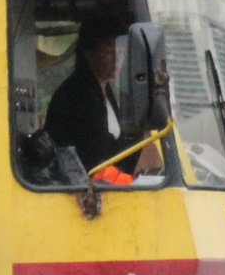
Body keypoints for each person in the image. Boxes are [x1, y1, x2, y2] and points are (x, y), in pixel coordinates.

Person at [44, 23, 161, 182]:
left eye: (119, 50)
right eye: (108, 51)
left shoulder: (104, 88)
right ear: (88, 54)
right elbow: (94, 155)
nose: (116, 57)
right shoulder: (78, 93)